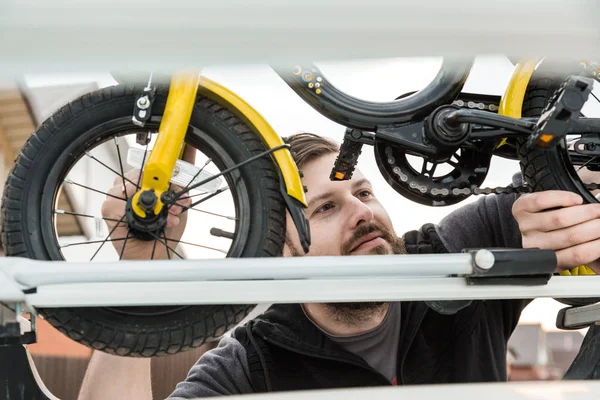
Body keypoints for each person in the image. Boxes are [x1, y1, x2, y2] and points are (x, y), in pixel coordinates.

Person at [78, 133, 600, 399]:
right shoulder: (249, 366)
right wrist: (134, 273)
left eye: (364, 192)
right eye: (325, 208)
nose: (363, 213)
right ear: (280, 251)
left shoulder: (459, 253)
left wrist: (571, 193)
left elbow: (570, 179)